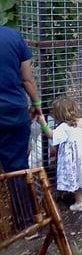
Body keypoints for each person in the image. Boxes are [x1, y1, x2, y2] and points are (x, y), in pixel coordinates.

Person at [0, 26, 42, 233]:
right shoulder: (13, 37)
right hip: (12, 113)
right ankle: (27, 225)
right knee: (17, 169)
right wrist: (37, 104)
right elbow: (27, 79)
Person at [37, 97, 82, 212]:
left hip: (72, 159)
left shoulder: (64, 127)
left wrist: (43, 123)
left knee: (75, 177)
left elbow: (51, 135)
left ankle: (79, 202)